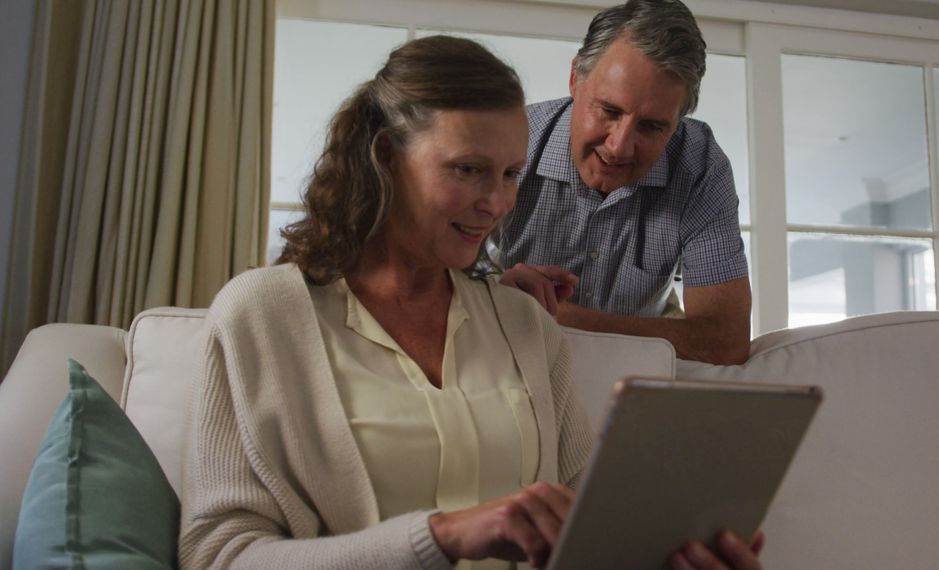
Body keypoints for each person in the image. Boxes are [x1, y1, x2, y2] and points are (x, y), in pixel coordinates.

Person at [179, 36, 763, 569]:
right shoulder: (261, 314)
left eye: (511, 173)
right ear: (384, 158)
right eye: (468, 170)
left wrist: (672, 557)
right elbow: (217, 556)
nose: (497, 203)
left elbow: (591, 532)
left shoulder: (522, 324)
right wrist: (441, 536)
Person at [494, 0, 751, 366]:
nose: (618, 147)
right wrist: (492, 295)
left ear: (678, 121)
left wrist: (554, 318)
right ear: (574, 79)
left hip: (638, 360)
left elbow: (725, 342)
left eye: (651, 126)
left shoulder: (700, 164)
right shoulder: (507, 141)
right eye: (609, 111)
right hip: (513, 355)